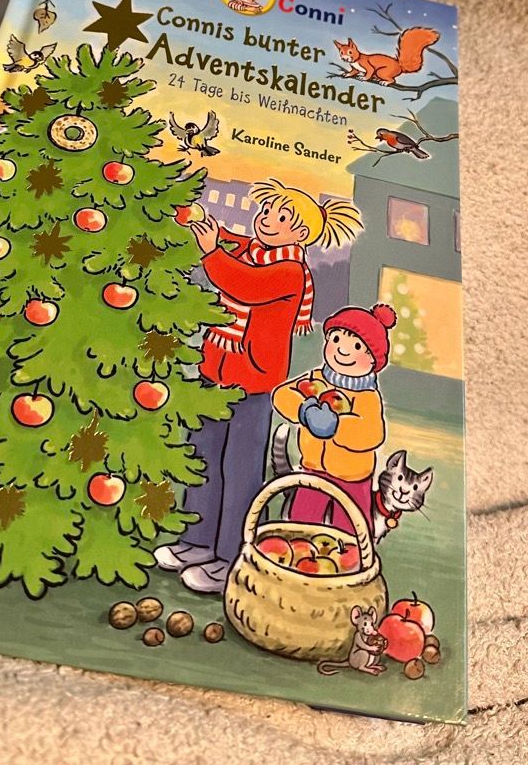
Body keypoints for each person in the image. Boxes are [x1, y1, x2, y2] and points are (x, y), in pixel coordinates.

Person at [154, 178, 362, 593]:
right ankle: (196, 540)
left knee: (239, 472)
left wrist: (211, 252)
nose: (268, 219)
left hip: (252, 384)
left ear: (300, 234)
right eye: (267, 211)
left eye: (282, 217)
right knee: (202, 458)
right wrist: (194, 220)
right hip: (215, 372)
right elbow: (227, 241)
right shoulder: (252, 249)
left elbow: (244, 284)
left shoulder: (290, 272)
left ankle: (229, 557)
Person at [272, 303, 395, 535]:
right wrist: (304, 410)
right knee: (300, 526)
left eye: (356, 346)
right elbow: (282, 395)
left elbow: (371, 433)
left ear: (372, 360)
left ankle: (351, 556)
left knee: (350, 531)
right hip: (312, 469)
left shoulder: (367, 397)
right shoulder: (317, 379)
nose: (343, 350)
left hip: (352, 479)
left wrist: (336, 426)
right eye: (336, 339)